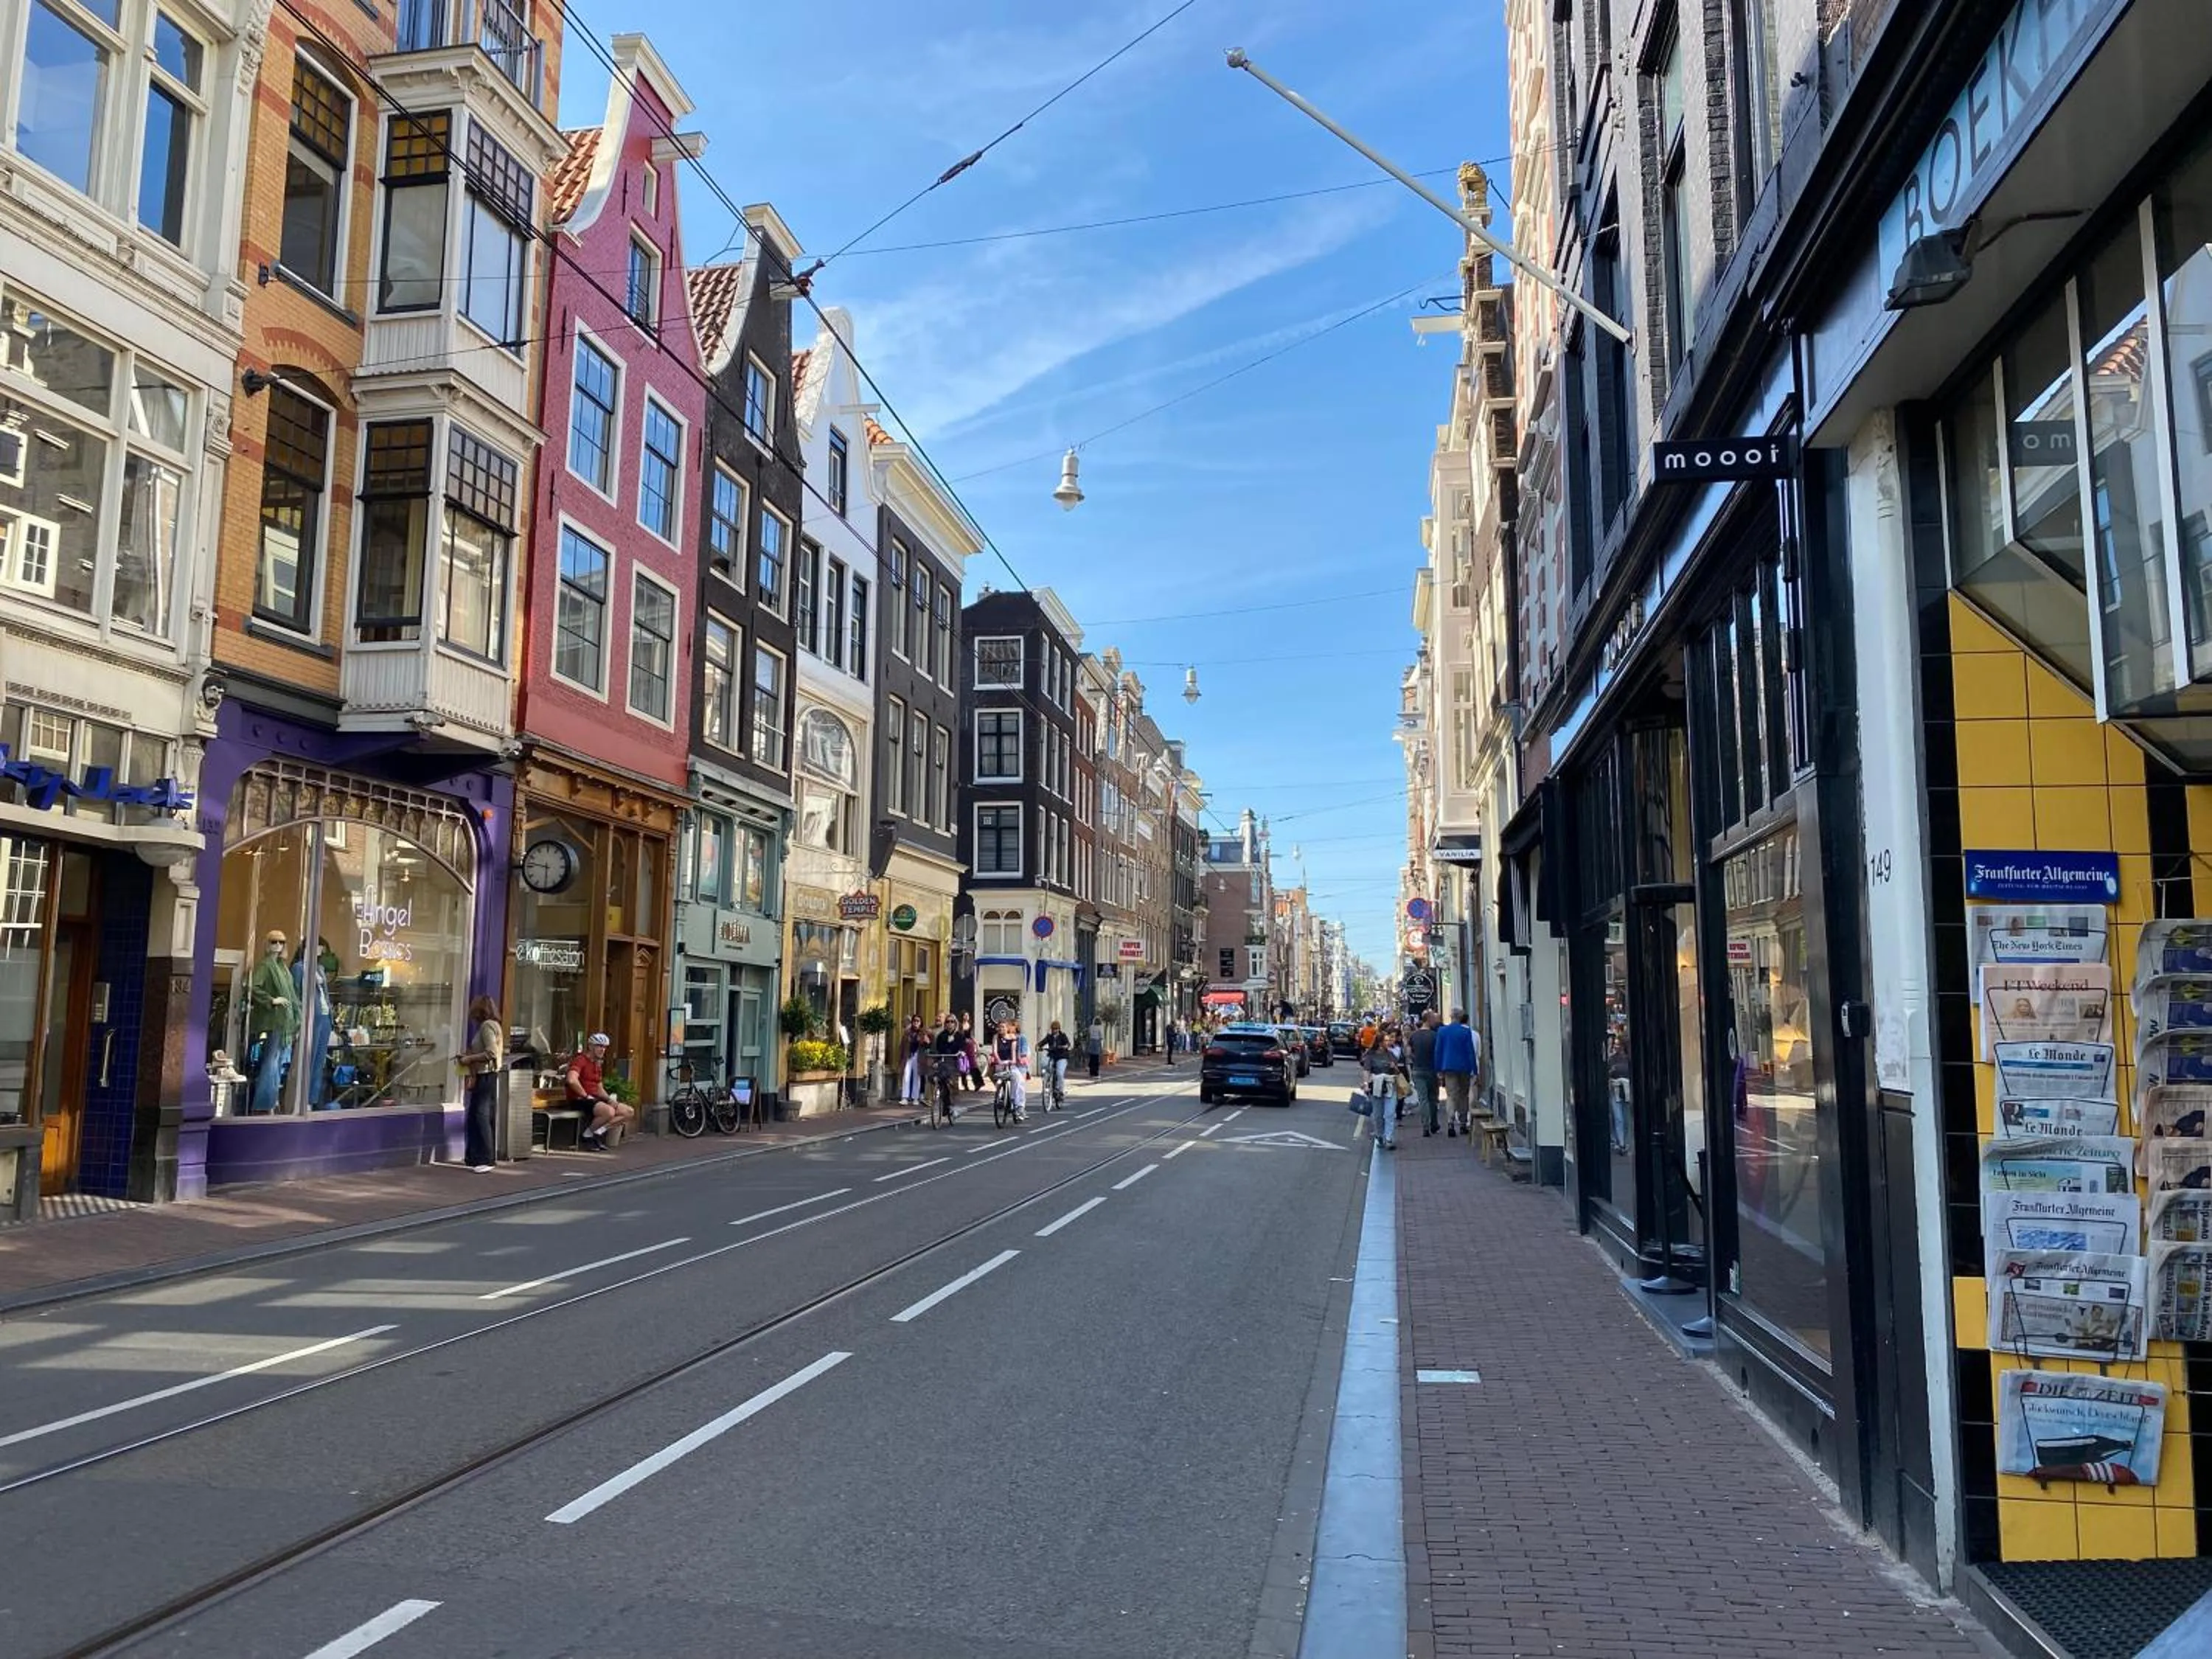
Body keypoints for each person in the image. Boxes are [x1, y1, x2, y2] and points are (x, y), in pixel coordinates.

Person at [246, 929, 299, 1115]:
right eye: (273, 942)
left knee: (278, 1064)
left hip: (286, 1023)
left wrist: (298, 1019)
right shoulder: (266, 966)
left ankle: (271, 1101)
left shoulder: (283, 968)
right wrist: (271, 1000)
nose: (277, 946)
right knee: (271, 1062)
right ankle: (263, 1105)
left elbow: (293, 996)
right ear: (267, 944)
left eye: (281, 942)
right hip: (273, 1022)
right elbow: (252, 986)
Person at [565, 1032, 634, 1150]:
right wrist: (585, 1095)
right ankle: (588, 1136)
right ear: (591, 1047)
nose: (603, 1049)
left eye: (605, 1047)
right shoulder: (580, 1060)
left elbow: (599, 1088)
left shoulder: (597, 1064)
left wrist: (609, 1099)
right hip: (580, 1099)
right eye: (599, 1046)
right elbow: (571, 1080)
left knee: (628, 1112)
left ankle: (596, 1133)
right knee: (609, 1112)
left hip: (594, 1099)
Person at [459, 995, 503, 1170]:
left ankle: (485, 1158)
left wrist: (469, 1059)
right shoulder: (493, 1025)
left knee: (480, 1115)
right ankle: (475, 1156)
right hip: (487, 1075)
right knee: (478, 1115)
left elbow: (491, 1052)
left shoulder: (487, 1026)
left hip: (486, 1075)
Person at [1435, 1008, 1481, 1138]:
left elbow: (1438, 1050)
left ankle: (1450, 1122)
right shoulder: (1466, 1032)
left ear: (1450, 1017)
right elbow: (1470, 1052)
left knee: (1451, 1095)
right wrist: (1475, 1071)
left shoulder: (1442, 1031)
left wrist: (1438, 1069)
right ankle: (1462, 1123)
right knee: (1463, 1095)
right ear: (1461, 1017)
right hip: (1464, 1067)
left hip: (1448, 1067)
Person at [1362, 1025, 1401, 1150]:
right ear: (1379, 1043)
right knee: (1378, 1115)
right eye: (1386, 1040)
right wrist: (1366, 1084)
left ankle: (1389, 1138)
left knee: (1389, 1113)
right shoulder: (1370, 1055)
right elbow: (1366, 1071)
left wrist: (1393, 1066)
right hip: (1376, 1086)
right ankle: (1380, 1135)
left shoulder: (1390, 1054)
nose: (1388, 1042)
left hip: (1390, 1085)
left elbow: (1397, 1070)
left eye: (1389, 1040)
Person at [1409, 1009, 1442, 1136]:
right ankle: (1434, 1125)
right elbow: (1438, 1054)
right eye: (1433, 1018)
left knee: (1423, 1099)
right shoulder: (1435, 1035)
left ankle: (1425, 1127)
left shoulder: (1414, 1035)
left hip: (1417, 1070)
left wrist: (1415, 1058)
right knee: (1433, 1099)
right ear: (1429, 1019)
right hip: (1432, 1070)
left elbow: (1408, 1052)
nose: (1435, 1021)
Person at [928, 1013, 966, 1123]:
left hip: (954, 1061)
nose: (949, 1024)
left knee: (952, 1083)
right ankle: (942, 1100)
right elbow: (938, 1050)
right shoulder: (941, 1036)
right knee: (938, 1078)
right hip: (943, 1060)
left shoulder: (959, 1036)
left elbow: (963, 1047)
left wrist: (961, 1052)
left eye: (952, 1022)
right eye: (947, 1022)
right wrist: (935, 1060)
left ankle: (952, 1107)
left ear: (955, 1023)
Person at [990, 1018, 1031, 1121]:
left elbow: (1013, 1052)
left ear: (1007, 1028)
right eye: (999, 1027)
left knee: (1019, 1080)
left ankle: (1018, 1105)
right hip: (1000, 1065)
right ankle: (999, 1097)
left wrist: (1012, 1061)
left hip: (1010, 1065)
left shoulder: (1013, 1038)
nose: (1001, 1029)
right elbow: (995, 1051)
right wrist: (999, 1061)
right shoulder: (996, 1037)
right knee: (997, 1077)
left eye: (1003, 1027)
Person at [1040, 1020, 1073, 1107]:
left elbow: (1068, 1044)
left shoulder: (1063, 1036)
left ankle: (1060, 1091)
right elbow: (1042, 1043)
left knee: (1059, 1073)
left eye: (1056, 1029)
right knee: (1044, 1064)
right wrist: (1038, 1046)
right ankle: (1047, 1082)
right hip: (1052, 1056)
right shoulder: (1049, 1037)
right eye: (1053, 1029)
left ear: (1059, 1029)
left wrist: (1064, 1047)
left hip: (1062, 1057)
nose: (1054, 1030)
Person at [898, 1013, 928, 1106]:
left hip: (918, 1056)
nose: (916, 1023)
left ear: (920, 1023)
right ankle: (905, 1097)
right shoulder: (907, 1032)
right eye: (914, 1021)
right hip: (908, 1056)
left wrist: (924, 1040)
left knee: (916, 1077)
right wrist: (901, 1057)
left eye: (918, 1021)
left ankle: (915, 1098)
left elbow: (927, 1044)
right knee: (906, 1075)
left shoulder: (923, 1032)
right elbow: (902, 1045)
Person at [959, 1012, 984, 1092]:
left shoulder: (970, 1025)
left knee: (973, 1064)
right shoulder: (959, 1025)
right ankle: (965, 1084)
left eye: (967, 1015)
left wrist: (976, 1044)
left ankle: (978, 1083)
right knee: (963, 1065)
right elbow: (959, 1035)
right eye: (965, 1015)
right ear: (962, 1017)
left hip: (970, 1045)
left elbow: (972, 1036)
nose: (966, 1017)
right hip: (962, 1045)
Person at [1087, 1015, 1105, 1079]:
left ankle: (1091, 1072)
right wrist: (1102, 1046)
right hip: (1097, 1042)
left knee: (1092, 1057)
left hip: (1092, 1042)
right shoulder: (1100, 1027)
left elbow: (1089, 1034)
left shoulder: (1091, 1027)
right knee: (1096, 1058)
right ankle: (1096, 1073)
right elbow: (1102, 1036)